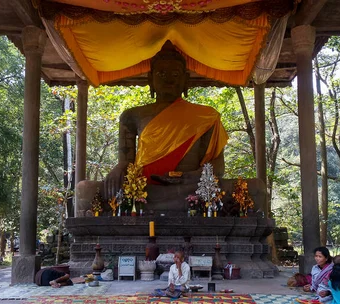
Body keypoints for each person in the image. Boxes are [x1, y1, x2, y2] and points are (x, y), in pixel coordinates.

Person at [76, 41, 266, 212]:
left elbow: (217, 168)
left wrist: (186, 177)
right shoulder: (132, 116)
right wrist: (119, 168)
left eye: (175, 74)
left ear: (186, 79)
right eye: (161, 73)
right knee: (85, 190)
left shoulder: (206, 116)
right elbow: (127, 162)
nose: (169, 79)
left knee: (256, 188)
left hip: (193, 188)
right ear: (150, 79)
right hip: (148, 189)